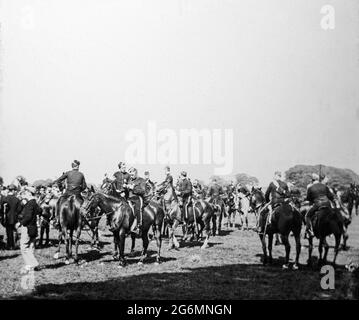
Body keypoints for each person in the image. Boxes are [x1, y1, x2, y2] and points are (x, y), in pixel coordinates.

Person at [19, 186, 42, 273]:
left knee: (24, 247)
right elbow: (40, 211)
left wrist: (20, 223)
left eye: (25, 193)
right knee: (31, 246)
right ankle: (30, 265)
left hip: (27, 227)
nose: (24, 194)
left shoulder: (29, 204)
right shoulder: (35, 203)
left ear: (29, 193)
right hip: (34, 228)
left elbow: (28, 217)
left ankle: (33, 263)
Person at [0, 184, 22, 250]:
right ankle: (14, 245)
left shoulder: (4, 199)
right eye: (15, 190)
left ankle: (9, 245)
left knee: (8, 232)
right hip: (15, 218)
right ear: (13, 190)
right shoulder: (17, 199)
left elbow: (1, 209)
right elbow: (19, 210)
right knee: (14, 231)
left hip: (7, 218)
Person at [127, 168, 146, 234]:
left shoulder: (141, 180)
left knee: (138, 209)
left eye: (132, 174)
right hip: (129, 198)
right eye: (130, 174)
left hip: (137, 198)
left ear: (136, 173)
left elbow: (143, 191)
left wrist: (133, 188)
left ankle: (138, 226)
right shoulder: (129, 180)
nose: (131, 176)